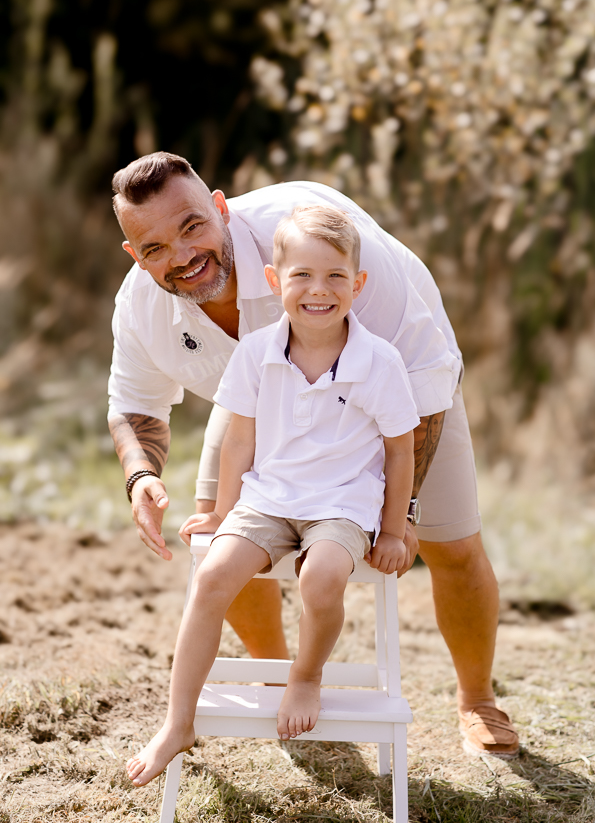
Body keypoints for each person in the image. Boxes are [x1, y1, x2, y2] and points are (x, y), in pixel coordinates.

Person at [109, 151, 519, 758]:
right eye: (155, 248)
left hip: (402, 382)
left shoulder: (319, 243)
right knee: (228, 544)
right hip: (257, 400)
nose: (183, 256)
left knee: (450, 544)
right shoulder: (141, 305)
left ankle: (478, 699)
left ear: (221, 209)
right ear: (134, 254)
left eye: (193, 227)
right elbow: (135, 406)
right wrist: (141, 475)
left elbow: (423, 380)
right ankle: (284, 677)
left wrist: (399, 514)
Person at [126, 206, 419, 785]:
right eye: (302, 276)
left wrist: (391, 529)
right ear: (273, 282)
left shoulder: (379, 361)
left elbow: (399, 451)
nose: (319, 290)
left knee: (321, 577)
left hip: (343, 504)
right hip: (269, 497)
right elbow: (240, 441)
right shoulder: (256, 351)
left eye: (336, 277)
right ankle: (178, 720)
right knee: (212, 576)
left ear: (357, 286)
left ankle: (305, 675)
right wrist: (220, 510)